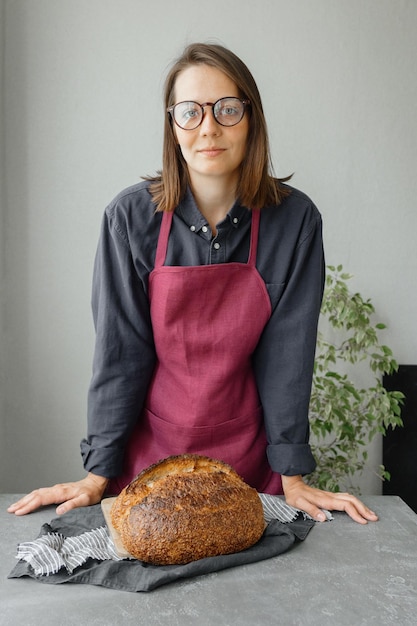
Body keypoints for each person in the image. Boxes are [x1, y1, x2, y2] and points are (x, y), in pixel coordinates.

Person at [8, 43, 377, 524]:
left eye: (227, 109)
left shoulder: (296, 221)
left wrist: (294, 475)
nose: (209, 127)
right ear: (172, 125)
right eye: (190, 112)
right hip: (148, 470)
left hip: (250, 473)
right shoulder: (129, 218)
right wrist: (98, 473)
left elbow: (288, 355)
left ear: (251, 118)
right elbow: (120, 353)